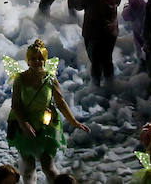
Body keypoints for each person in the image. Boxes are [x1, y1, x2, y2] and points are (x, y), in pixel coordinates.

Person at [6, 39, 89, 184]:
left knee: (48, 165)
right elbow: (16, 105)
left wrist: (74, 122)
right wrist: (24, 124)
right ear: (28, 61)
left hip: (46, 124)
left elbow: (61, 102)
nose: (37, 62)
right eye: (33, 59)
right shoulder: (20, 79)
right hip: (24, 121)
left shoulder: (50, 78)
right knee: (29, 166)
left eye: (40, 59)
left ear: (44, 60)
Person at [76, 0, 121, 86]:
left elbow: (77, 5)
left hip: (92, 32)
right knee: (107, 60)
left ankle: (96, 88)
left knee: (95, 62)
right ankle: (110, 87)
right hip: (110, 31)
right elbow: (117, 2)